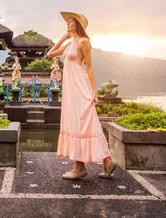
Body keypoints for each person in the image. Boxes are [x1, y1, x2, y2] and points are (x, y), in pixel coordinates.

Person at [47, 11, 118, 180]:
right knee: (74, 122)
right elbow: (50, 53)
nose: (68, 24)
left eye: (70, 22)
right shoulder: (71, 43)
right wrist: (64, 37)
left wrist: (94, 92)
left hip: (80, 87)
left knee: (85, 122)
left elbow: (90, 68)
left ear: (77, 25)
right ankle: (99, 162)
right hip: (70, 89)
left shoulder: (84, 42)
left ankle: (88, 164)